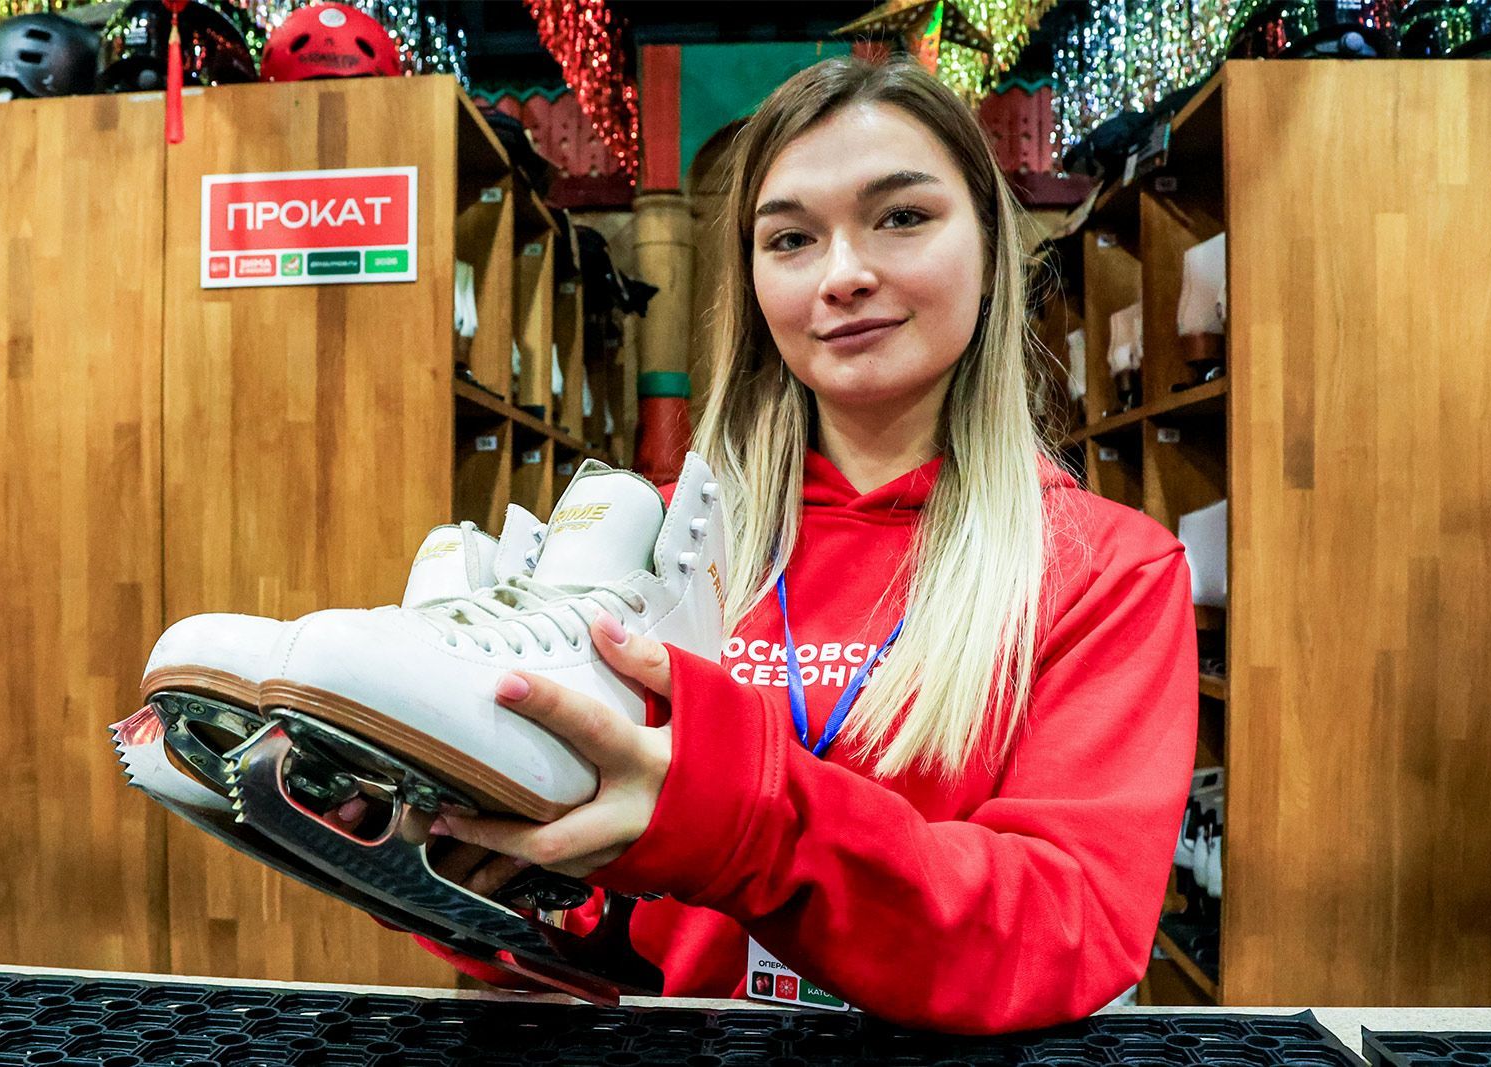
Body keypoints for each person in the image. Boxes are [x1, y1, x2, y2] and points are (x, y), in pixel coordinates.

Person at [414, 55, 1198, 1034]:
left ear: (993, 250)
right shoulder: (664, 540)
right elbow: (596, 933)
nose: (843, 274)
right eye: (790, 237)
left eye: (901, 216)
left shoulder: (1108, 570)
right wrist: (455, 849)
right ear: (751, 281)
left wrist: (744, 822)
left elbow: (1057, 926)